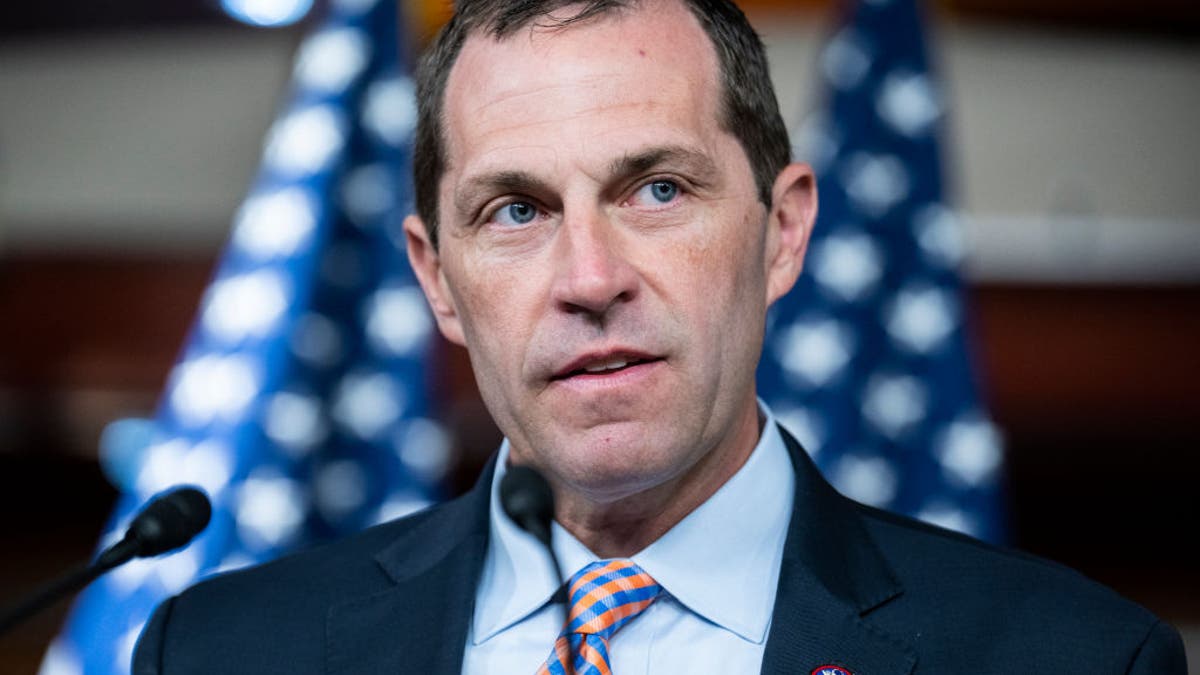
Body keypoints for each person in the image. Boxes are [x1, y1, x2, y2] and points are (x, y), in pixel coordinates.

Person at [134, 1, 1188, 673]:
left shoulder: (1072, 658)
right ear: (437, 282)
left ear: (781, 234)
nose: (590, 281)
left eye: (658, 189)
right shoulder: (223, 653)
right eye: (515, 211)